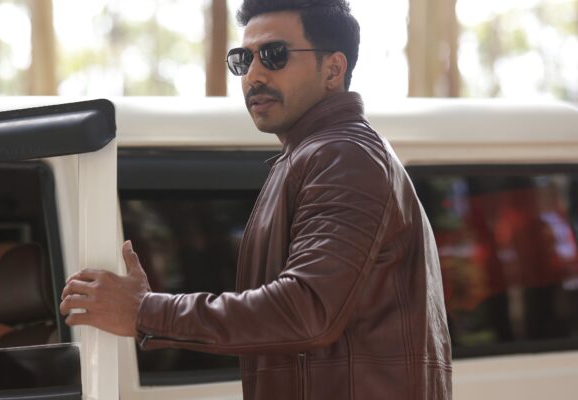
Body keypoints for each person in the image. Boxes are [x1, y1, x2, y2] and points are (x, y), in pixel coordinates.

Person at [59, 0, 453, 398]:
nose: (254, 75)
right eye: (243, 59)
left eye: (274, 55)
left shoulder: (343, 157)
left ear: (333, 69)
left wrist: (145, 311)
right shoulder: (313, 157)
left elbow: (306, 309)